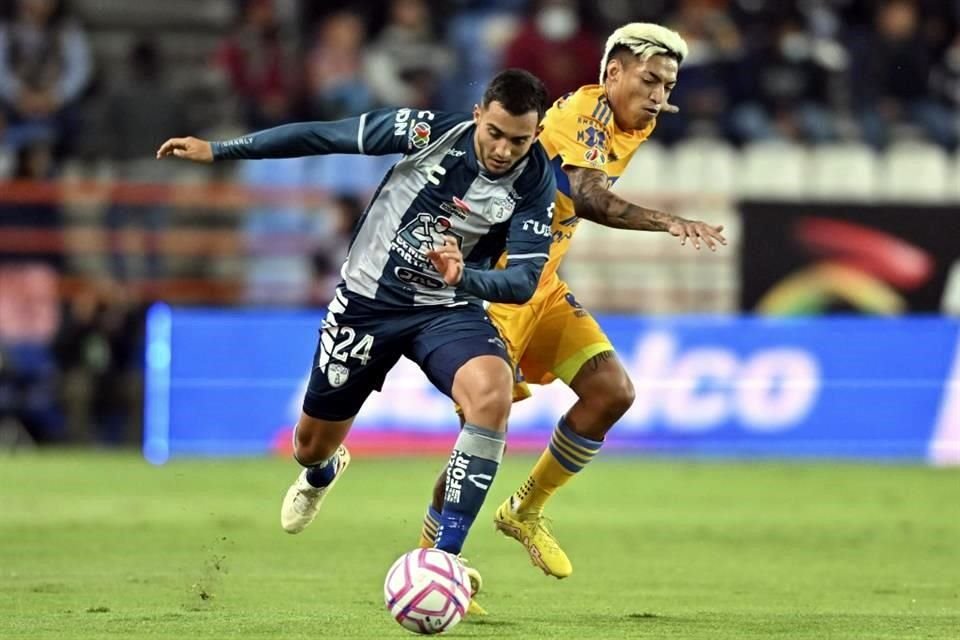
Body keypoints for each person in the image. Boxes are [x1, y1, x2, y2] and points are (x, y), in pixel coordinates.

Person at [157, 69, 556, 600]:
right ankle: (324, 470)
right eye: (496, 133)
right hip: (366, 306)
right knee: (308, 446)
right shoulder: (427, 133)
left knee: (492, 392)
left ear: (535, 133)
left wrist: (467, 277)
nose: (505, 150)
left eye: (519, 139)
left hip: (446, 308)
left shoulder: (535, 183)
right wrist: (221, 150)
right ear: (480, 113)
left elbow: (525, 279)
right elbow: (326, 135)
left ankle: (443, 559)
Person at [418, 23, 727, 588]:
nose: (660, 95)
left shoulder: (639, 118)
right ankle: (433, 563)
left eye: (668, 84)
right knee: (483, 436)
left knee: (612, 391)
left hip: (545, 283)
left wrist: (651, 99)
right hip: (498, 282)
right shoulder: (578, 118)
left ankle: (524, 511)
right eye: (650, 80)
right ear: (612, 73)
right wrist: (667, 221)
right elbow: (585, 196)